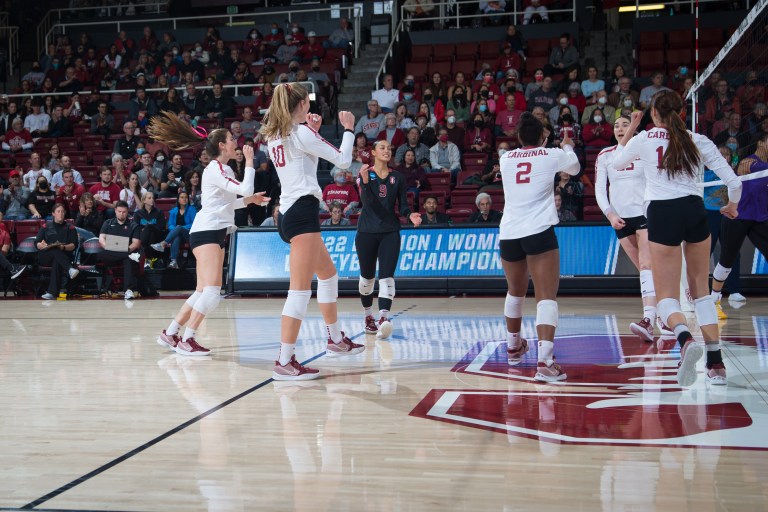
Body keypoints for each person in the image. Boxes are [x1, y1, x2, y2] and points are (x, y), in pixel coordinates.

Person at [612, 91, 741, 387]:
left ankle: (684, 339)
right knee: (701, 292)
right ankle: (715, 364)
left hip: (662, 214)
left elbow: (618, 162)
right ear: (681, 112)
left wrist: (633, 127)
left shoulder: (645, 139)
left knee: (667, 295)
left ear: (654, 113)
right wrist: (731, 206)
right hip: (694, 210)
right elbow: (733, 182)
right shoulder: (698, 139)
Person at [261, 82, 364, 380]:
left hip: (291, 210)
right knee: (300, 290)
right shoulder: (300, 132)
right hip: (302, 212)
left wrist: (314, 132)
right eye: (308, 101)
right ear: (303, 104)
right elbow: (344, 161)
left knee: (329, 275)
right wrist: (348, 129)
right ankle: (284, 360)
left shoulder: (276, 135)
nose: (311, 105)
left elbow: (302, 163)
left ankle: (334, 340)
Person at [149, 112, 269, 356]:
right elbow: (244, 186)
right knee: (213, 292)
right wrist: (249, 161)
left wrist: (249, 200)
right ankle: (188, 338)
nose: (236, 142)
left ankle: (171, 333)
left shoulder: (223, 170)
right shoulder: (216, 169)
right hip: (206, 231)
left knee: (203, 291)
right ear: (222, 146)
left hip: (214, 230)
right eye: (231, 139)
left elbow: (225, 204)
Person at [499, 112, 579, 382]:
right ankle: (544, 361)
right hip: (538, 230)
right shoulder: (551, 154)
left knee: (515, 293)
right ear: (543, 137)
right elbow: (575, 167)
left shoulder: (505, 158)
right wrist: (566, 144)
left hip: (509, 232)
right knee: (546, 296)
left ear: (519, 137)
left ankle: (513, 346)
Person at [595, 116, 658, 341]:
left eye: (625, 124)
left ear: (634, 128)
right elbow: (600, 190)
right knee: (647, 273)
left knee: (647, 265)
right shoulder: (605, 155)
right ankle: (662, 314)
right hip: (620, 219)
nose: (620, 128)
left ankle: (648, 320)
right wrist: (610, 214)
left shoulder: (645, 149)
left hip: (645, 215)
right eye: (616, 125)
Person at [356, 140, 422, 338]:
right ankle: (368, 317)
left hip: (390, 232)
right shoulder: (364, 174)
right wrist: (366, 182)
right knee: (367, 280)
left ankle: (383, 317)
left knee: (387, 277)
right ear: (374, 152)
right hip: (366, 232)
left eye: (389, 148)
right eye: (382, 148)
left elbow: (402, 204)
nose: (387, 151)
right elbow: (368, 203)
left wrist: (409, 214)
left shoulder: (398, 177)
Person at [709, 134, 768, 313]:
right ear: (760, 142)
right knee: (727, 260)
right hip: (737, 217)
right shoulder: (748, 162)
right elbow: (760, 168)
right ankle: (714, 300)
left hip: (760, 219)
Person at [98, 200, 142, 300]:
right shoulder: (108, 223)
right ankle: (128, 255)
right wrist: (110, 247)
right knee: (101, 253)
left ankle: (128, 291)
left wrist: (125, 250)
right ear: (115, 211)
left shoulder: (133, 225)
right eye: (119, 211)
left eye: (124, 212)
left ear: (127, 212)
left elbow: (135, 243)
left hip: (126, 253)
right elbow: (101, 240)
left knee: (128, 259)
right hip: (110, 254)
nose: (121, 214)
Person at [36, 203, 79, 300]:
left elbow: (73, 245)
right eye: (58, 211)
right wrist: (40, 245)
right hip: (46, 256)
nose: (61, 214)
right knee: (55, 250)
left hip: (63, 255)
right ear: (53, 214)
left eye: (63, 211)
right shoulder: (46, 226)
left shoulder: (70, 227)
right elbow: (37, 242)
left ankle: (52, 293)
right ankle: (70, 269)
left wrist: (63, 247)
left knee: (57, 259)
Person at [151, 191, 197, 269]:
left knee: (178, 228)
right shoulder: (174, 210)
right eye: (182, 197)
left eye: (186, 197)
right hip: (178, 235)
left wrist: (180, 228)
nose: (184, 199)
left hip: (189, 235)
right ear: (178, 200)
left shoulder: (192, 209)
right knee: (177, 237)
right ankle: (174, 261)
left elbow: (194, 224)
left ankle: (164, 243)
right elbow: (170, 225)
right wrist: (176, 229)